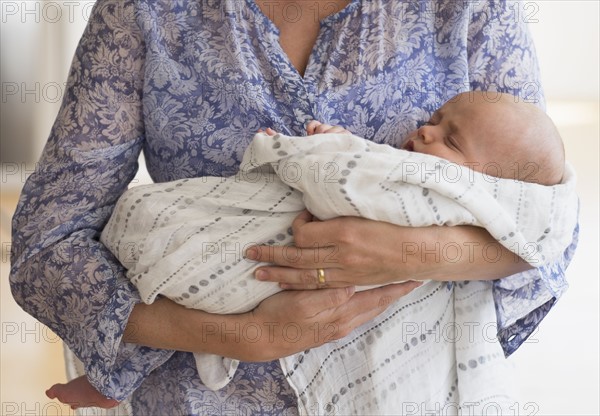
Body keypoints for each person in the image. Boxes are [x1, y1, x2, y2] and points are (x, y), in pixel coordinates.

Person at [10, 1, 578, 415]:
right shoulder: (147, 13)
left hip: (401, 386)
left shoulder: (470, 9)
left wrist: (404, 251)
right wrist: (247, 337)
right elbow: (46, 244)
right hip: (203, 395)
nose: (426, 138)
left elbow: (544, 222)